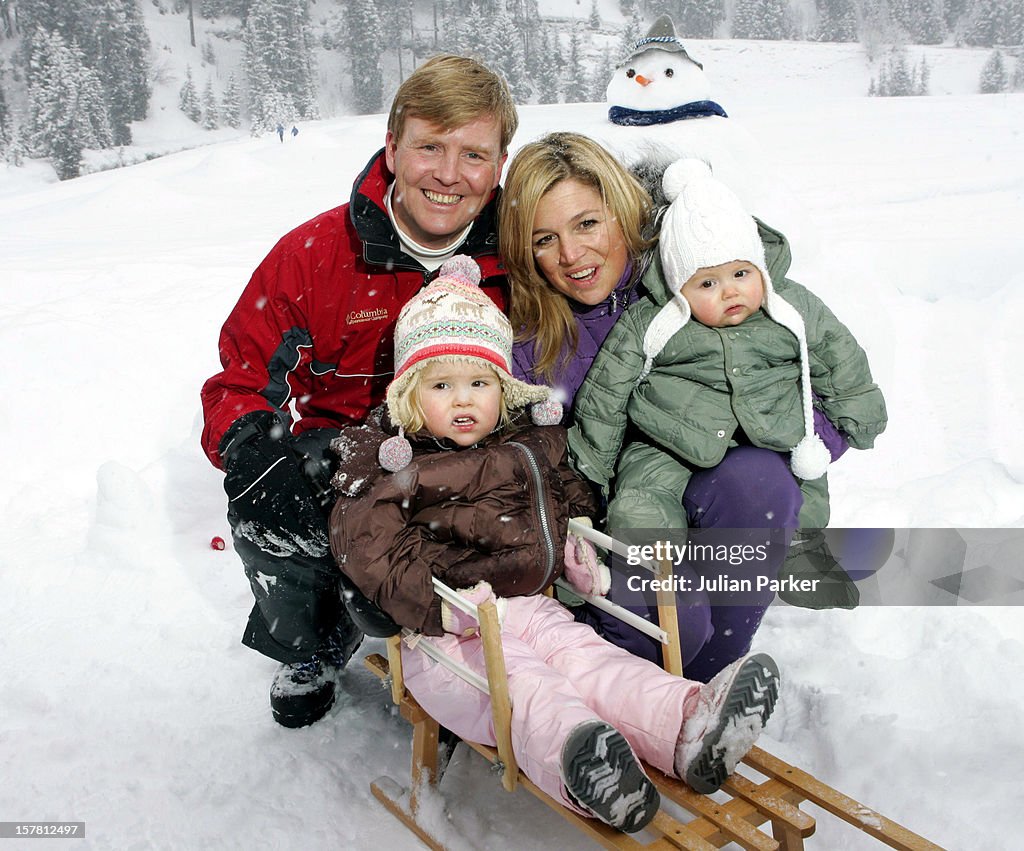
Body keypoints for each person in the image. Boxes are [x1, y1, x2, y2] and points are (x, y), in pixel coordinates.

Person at [327, 256, 781, 833]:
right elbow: (368, 548)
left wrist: (576, 548)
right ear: (411, 393)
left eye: (479, 383)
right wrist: (435, 604)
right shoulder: (393, 462)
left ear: (502, 387)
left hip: (534, 606)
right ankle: (582, 763)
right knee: (526, 687)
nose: (463, 400)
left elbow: (565, 499)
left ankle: (688, 724)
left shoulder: (527, 443)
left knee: (593, 665)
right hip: (446, 637)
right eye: (442, 385)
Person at [200, 55, 518, 728]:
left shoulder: (521, 253)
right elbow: (240, 376)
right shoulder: (315, 254)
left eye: (473, 154)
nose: (448, 174)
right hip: (348, 458)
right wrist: (251, 444)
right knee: (270, 505)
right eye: (430, 145)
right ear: (393, 144)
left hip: (474, 451)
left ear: (499, 164)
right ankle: (312, 641)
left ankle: (500, 651)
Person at [500, 132, 870, 681]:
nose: (571, 255)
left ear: (623, 211)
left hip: (709, 491)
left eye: (586, 224)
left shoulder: (701, 278)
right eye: (544, 239)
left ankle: (707, 689)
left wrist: (765, 433)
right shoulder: (532, 344)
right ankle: (628, 696)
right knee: (679, 615)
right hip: (609, 526)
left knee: (758, 484)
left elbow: (808, 381)